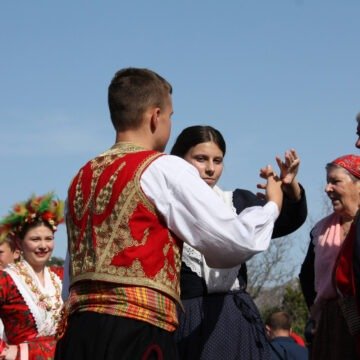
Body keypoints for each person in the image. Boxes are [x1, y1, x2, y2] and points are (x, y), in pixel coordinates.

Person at [55, 67, 285, 360]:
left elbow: (70, 274)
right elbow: (232, 242)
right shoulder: (163, 168)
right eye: (171, 116)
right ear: (155, 116)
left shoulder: (82, 177)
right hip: (136, 331)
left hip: (77, 333)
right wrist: (272, 206)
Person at [170, 125, 307, 359]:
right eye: (201, 159)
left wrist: (289, 188)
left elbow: (284, 221)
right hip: (185, 319)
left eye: (218, 160)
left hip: (233, 317)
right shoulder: (166, 206)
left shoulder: (236, 201)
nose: (210, 169)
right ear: (180, 160)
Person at [299, 154, 360, 359]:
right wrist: (319, 312)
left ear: (358, 184)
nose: (328, 189)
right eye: (328, 182)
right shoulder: (321, 231)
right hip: (331, 322)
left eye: (335, 182)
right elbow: (306, 277)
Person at [0, 192, 64, 360]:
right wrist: (6, 351)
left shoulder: (60, 277)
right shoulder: (6, 280)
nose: (43, 245)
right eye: (35, 239)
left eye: (48, 238)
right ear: (20, 243)